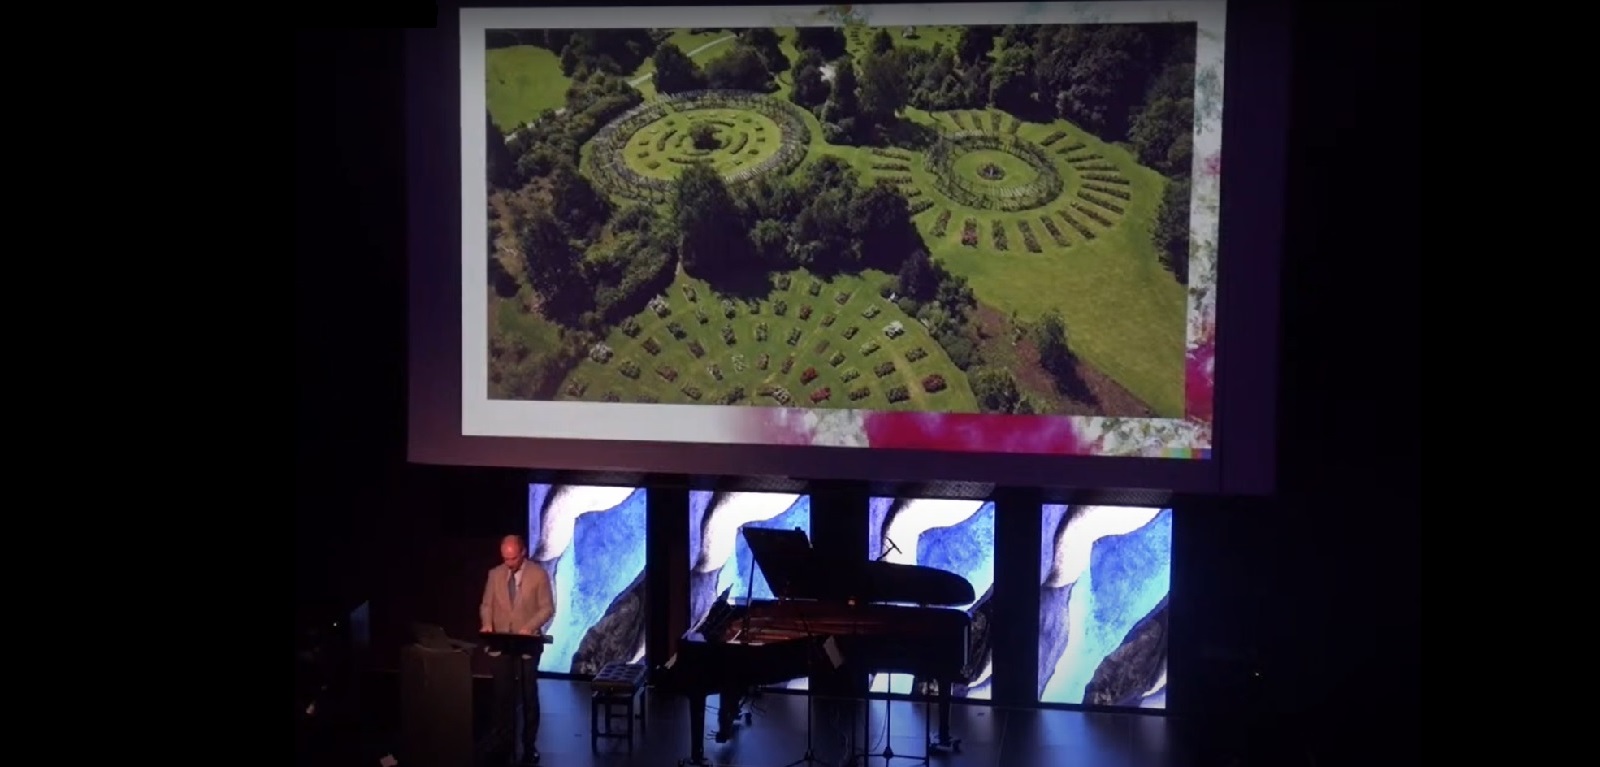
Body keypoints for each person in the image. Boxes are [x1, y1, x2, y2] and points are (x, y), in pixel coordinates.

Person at [480, 534, 554, 765]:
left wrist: (529, 627)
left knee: (528, 696)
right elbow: (486, 604)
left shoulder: (538, 575)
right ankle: (502, 742)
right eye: (505, 558)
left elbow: (547, 608)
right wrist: (487, 623)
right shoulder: (494, 575)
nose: (509, 563)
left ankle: (529, 745)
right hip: (501, 644)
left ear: (522, 553)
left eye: (512, 558)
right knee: (501, 697)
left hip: (526, 645)